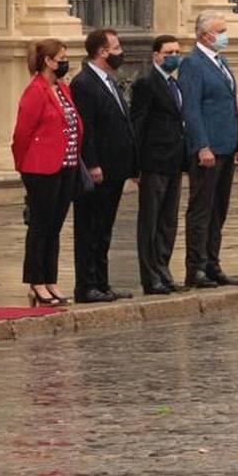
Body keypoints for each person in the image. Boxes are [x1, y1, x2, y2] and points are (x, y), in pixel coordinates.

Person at [69, 28, 138, 303]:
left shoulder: (110, 81)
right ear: (102, 52)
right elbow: (87, 129)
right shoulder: (84, 83)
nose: (121, 52)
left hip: (116, 168)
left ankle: (102, 281)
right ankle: (86, 285)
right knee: (90, 228)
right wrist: (93, 163)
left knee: (104, 229)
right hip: (98, 170)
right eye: (116, 47)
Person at [180, 11, 238, 289]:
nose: (224, 35)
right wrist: (201, 145)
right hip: (208, 149)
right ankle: (195, 267)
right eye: (220, 30)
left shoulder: (221, 62)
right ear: (205, 35)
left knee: (219, 209)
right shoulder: (193, 64)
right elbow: (191, 108)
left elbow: (229, 105)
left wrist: (237, 145)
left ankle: (213, 263)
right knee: (202, 209)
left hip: (226, 146)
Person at [12, 39, 79, 307]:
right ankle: (36, 281)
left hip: (67, 165)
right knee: (40, 226)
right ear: (48, 61)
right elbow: (21, 134)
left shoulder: (62, 88)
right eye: (61, 57)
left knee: (55, 226)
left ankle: (50, 279)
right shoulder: (35, 91)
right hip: (41, 168)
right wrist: (24, 166)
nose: (65, 61)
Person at [131, 35, 190, 295]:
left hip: (174, 161)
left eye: (177, 51)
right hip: (153, 162)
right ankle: (150, 275)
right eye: (168, 52)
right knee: (150, 222)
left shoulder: (174, 84)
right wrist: (136, 166)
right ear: (156, 55)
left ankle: (164, 269)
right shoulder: (146, 83)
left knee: (168, 221)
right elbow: (138, 125)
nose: (173, 56)